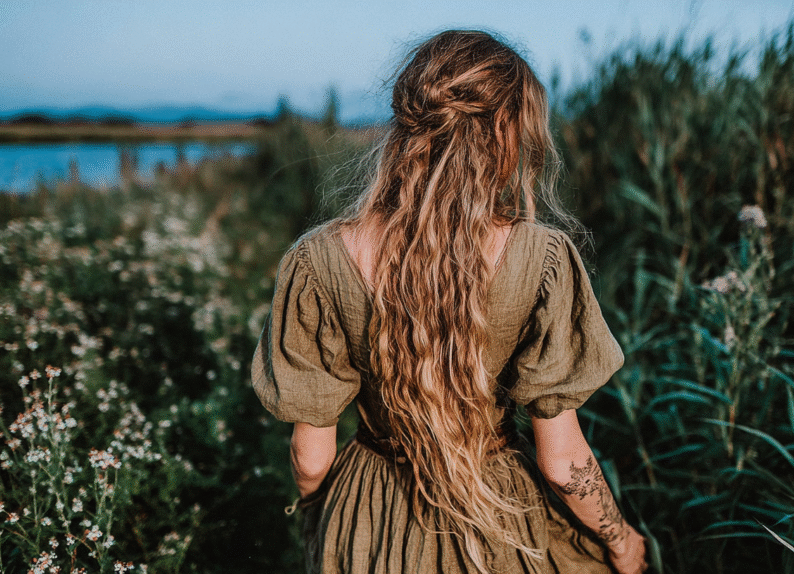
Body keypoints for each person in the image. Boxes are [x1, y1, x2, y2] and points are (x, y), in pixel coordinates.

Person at [251, 29, 649, 574]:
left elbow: (310, 456)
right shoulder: (542, 256)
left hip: (369, 508)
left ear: (404, 128)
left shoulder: (317, 259)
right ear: (509, 132)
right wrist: (622, 540)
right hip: (497, 515)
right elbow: (562, 462)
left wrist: (324, 516)